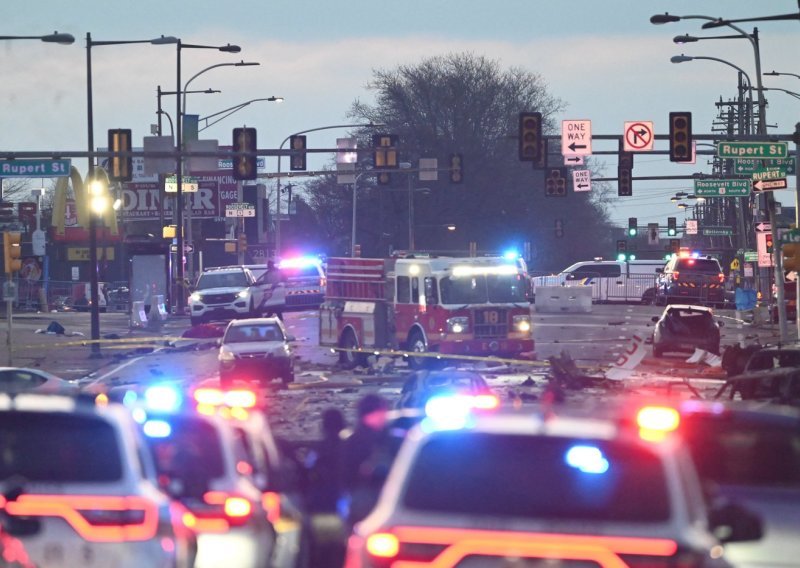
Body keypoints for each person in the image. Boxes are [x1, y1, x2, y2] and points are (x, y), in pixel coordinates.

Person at [341, 394, 390, 527]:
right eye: (383, 412)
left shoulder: (353, 439)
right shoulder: (371, 440)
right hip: (369, 500)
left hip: (358, 500)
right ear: (374, 413)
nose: (385, 416)